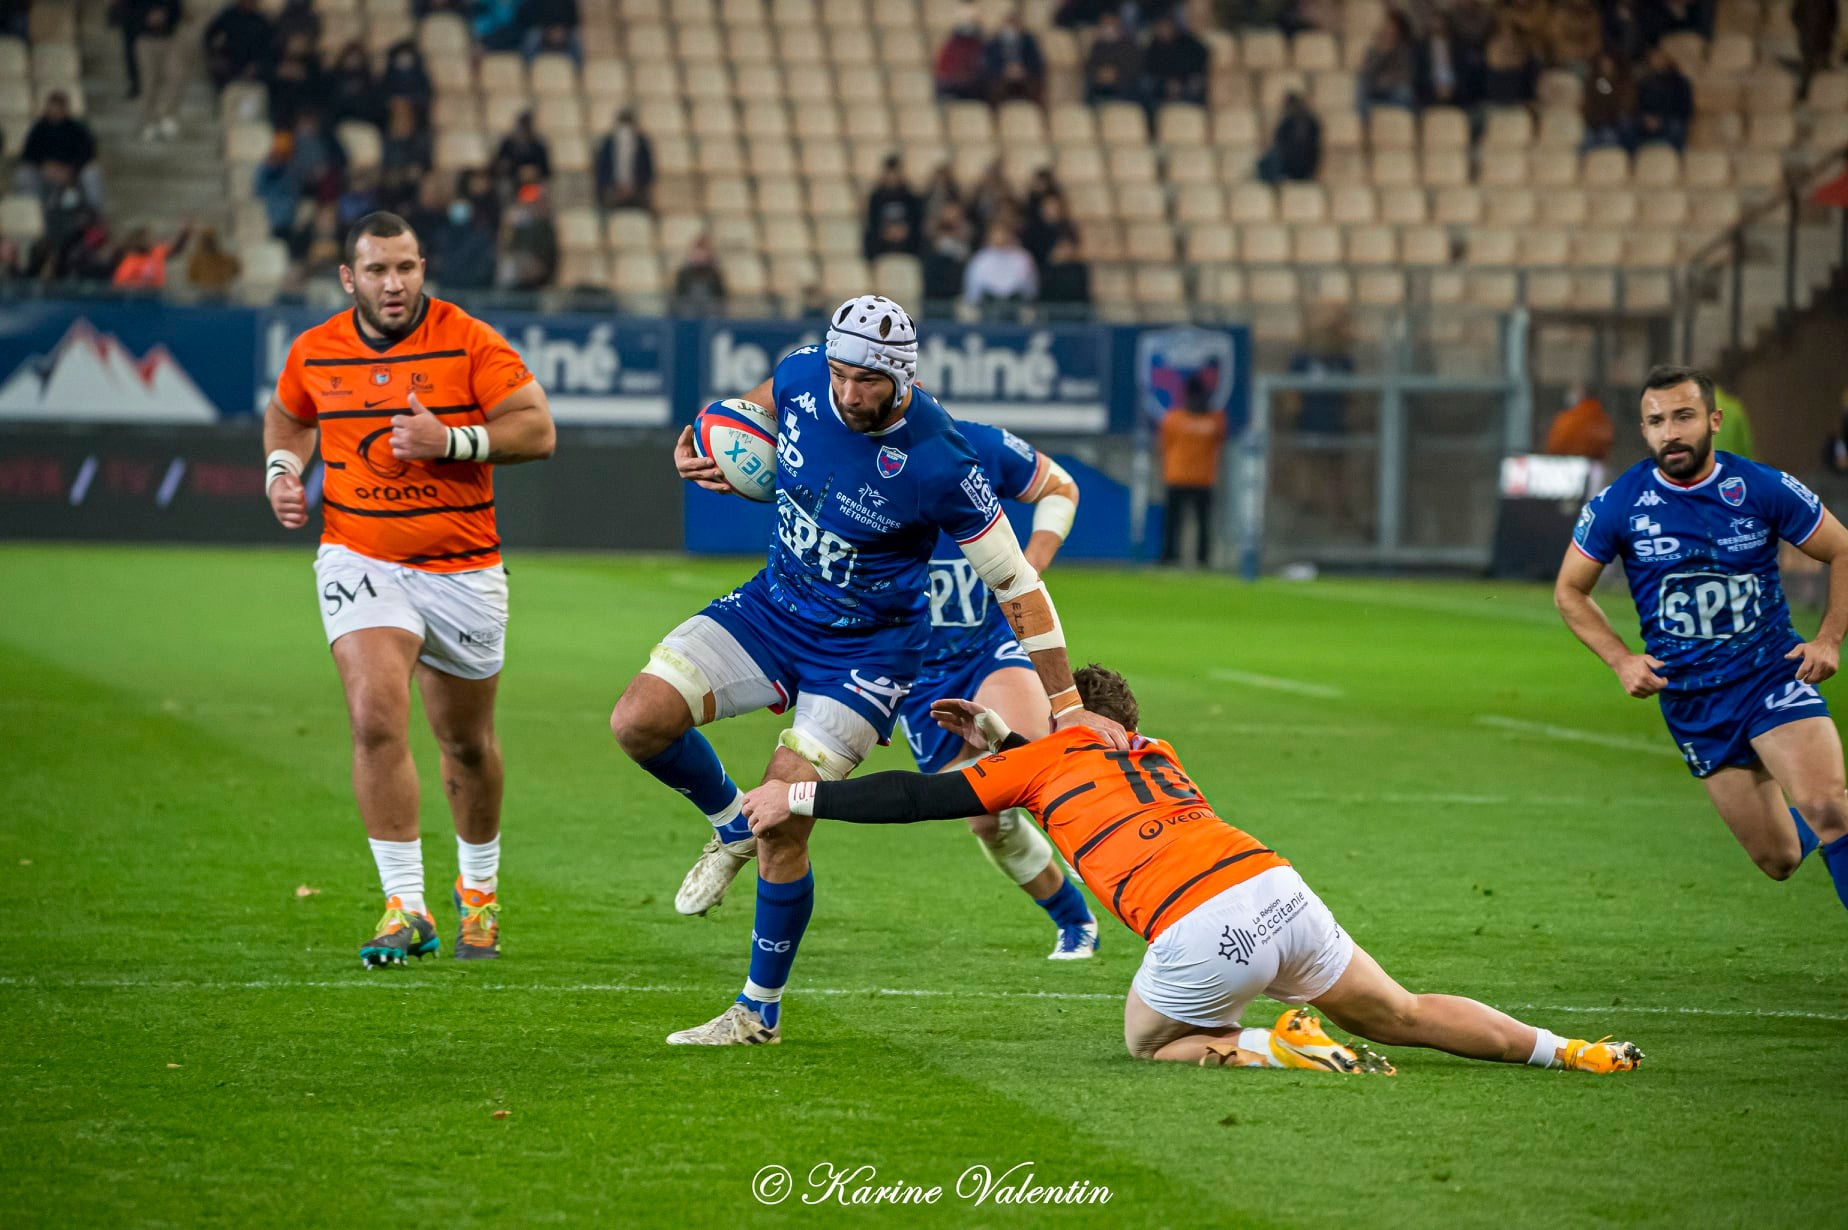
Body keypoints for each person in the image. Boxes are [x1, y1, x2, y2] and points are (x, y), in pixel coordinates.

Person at [610, 294, 1128, 1046]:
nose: (850, 394)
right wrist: (698, 445)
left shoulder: (943, 460)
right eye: (842, 375)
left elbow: (1016, 586)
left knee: (786, 817)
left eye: (869, 382)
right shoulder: (798, 378)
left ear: (903, 377)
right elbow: (735, 417)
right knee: (638, 720)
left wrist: (1068, 704)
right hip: (772, 609)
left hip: (867, 653)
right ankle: (729, 826)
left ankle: (757, 1013)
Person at [741, 666, 1644, 1076]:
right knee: (1403, 1013)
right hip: (1277, 889)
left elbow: (916, 798)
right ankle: (1570, 1051)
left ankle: (1266, 1045)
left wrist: (804, 800)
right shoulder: (1153, 749)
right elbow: (1077, 776)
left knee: (1147, 1040)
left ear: (1069, 720)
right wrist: (1005, 738)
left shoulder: (1046, 761)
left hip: (1203, 925)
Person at [261, 211, 557, 967]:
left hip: (463, 569)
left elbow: (537, 429)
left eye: (407, 268)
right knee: (375, 718)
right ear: (348, 278)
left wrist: (452, 441)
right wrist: (282, 471)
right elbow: (288, 417)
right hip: (360, 557)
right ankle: (405, 906)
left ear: (423, 268)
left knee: (464, 742)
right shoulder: (315, 350)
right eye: (378, 270)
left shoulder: (470, 341)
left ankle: (479, 893)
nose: (394, 284)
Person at [1554, 365, 1848, 913]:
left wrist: (1829, 640)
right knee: (1779, 859)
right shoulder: (1621, 503)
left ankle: (1836, 826)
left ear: (1712, 421)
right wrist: (1620, 660)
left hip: (1770, 676)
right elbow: (1570, 591)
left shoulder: (1759, 486)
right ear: (1644, 432)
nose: (1671, 432)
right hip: (1694, 701)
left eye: (1684, 417)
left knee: (1828, 808)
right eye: (1657, 421)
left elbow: (1842, 548)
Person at [892, 419, 1098, 959]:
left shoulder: (974, 445)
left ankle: (1117, 871)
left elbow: (1060, 487)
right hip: (915, 669)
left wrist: (1035, 562)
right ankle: (1072, 915)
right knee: (985, 817)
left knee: (1028, 761)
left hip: (989, 644)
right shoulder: (850, 458)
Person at [1159, 375, 1226, 566]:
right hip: (1196, 478)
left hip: (1183, 476)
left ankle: (1172, 556)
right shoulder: (1214, 420)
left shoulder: (1174, 418)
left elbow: (1164, 445)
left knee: (1177, 522)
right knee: (1197, 522)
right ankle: (1199, 558)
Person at [16, 93, 103, 210]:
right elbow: (28, 154)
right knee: (24, 175)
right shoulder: (39, 129)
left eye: (58, 107)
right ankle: (30, 213)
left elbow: (87, 153)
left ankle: (95, 214)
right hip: (44, 171)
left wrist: (72, 169)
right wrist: (45, 166)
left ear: (65, 109)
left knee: (92, 174)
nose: (55, 111)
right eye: (52, 107)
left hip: (72, 171)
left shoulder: (77, 129)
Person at [962, 222, 1037, 314]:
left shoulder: (1023, 257)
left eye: (1004, 233)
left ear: (1011, 235)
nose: (1000, 237)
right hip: (986, 306)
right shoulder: (979, 259)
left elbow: (1030, 288)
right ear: (989, 236)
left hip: (1016, 305)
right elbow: (972, 291)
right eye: (997, 233)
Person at [203, 0, 275, 89]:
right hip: (231, 61)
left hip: (253, 65)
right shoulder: (229, 15)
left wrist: (256, 65)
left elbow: (268, 47)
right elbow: (210, 35)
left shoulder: (262, 20)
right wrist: (215, 54)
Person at [863, 155, 923, 260]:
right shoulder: (877, 197)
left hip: (905, 238)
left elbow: (914, 219)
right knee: (868, 236)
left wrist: (903, 231)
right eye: (890, 173)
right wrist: (886, 231)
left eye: (895, 173)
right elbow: (873, 221)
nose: (892, 177)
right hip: (883, 238)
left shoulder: (909, 196)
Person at [594, 108, 654, 212]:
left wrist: (634, 188)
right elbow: (601, 170)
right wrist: (614, 187)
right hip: (613, 192)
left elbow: (648, 171)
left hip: (637, 193)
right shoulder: (608, 144)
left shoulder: (642, 144)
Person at [1142, 15, 1208, 108]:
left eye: (1165, 27)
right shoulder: (1154, 47)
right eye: (1160, 27)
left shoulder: (1188, 42)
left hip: (1185, 82)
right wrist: (1166, 83)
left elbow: (1198, 60)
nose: (1163, 30)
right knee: (1147, 85)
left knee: (1195, 85)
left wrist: (1181, 81)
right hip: (1163, 86)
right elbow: (1151, 69)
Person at [1257, 91, 1320, 184]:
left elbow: (1280, 143)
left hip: (1294, 167)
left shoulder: (1290, 122)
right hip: (1303, 169)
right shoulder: (1311, 122)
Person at [984, 9, 1045, 105]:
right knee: (994, 87)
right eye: (1009, 24)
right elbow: (989, 63)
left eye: (1015, 24)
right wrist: (1004, 71)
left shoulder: (1028, 41)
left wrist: (1023, 70)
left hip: (1024, 78)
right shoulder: (994, 43)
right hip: (1001, 78)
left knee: (1034, 87)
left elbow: (1037, 62)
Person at [1636, 47, 1693, 150]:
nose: (1655, 61)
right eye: (1653, 58)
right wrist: (1646, 117)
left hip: (1671, 119)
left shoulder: (1680, 82)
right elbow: (1640, 104)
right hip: (1649, 120)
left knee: (1675, 127)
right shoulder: (1646, 82)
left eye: (1658, 58)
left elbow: (1685, 108)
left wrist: (1662, 119)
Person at [1084, 11, 1143, 104]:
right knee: (1089, 85)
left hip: (1122, 82)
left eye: (1110, 24)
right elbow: (1090, 65)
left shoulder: (1129, 44)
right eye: (1105, 24)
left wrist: (1115, 74)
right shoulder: (1098, 45)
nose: (1108, 28)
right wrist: (1100, 73)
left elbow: (1134, 67)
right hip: (1101, 81)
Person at [1544, 386, 1614, 461]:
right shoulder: (1603, 419)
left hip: (1568, 463)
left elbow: (1555, 446)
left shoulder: (1568, 419)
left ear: (1582, 396)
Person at [933, 7, 988, 101]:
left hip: (972, 84)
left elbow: (982, 67)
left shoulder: (979, 46)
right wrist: (956, 76)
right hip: (953, 83)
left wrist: (970, 76)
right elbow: (944, 68)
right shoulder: (951, 47)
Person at [671, 231, 726, 314]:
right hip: (688, 310)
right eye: (697, 252)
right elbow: (679, 295)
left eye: (703, 253)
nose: (699, 256)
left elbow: (720, 297)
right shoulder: (684, 273)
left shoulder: (714, 273)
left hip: (709, 310)